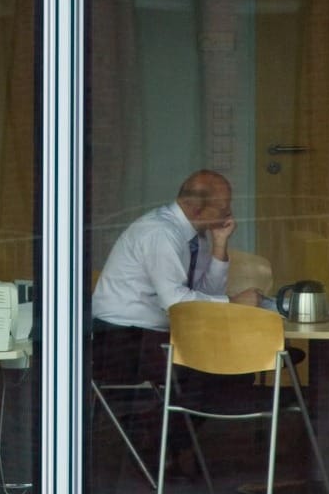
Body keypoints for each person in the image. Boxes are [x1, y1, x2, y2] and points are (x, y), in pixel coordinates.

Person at [91, 170, 266, 410]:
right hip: (121, 341)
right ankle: (157, 442)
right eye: (223, 207)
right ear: (196, 209)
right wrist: (233, 303)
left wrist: (219, 245)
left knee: (236, 370)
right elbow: (176, 303)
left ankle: (166, 440)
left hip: (155, 335)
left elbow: (202, 296)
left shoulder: (196, 236)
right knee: (224, 372)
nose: (229, 213)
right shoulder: (160, 233)